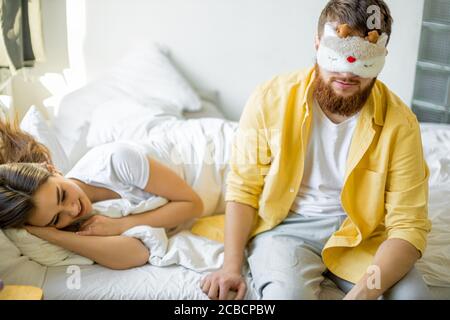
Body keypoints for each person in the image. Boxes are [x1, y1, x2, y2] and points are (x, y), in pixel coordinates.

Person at [197, 0, 431, 300]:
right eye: (338, 56)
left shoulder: (401, 123)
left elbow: (408, 225)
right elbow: (242, 188)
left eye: (364, 62)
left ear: (382, 55)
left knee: (414, 297)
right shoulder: (270, 98)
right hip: (285, 230)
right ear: (317, 43)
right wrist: (231, 267)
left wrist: (361, 295)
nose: (347, 75)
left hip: (364, 234)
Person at [0, 141, 204, 270]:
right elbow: (137, 254)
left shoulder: (116, 160)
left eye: (62, 195)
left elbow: (193, 205)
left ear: (52, 169)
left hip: (206, 159)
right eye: (55, 219)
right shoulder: (71, 223)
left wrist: (121, 225)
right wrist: (54, 235)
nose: (72, 210)